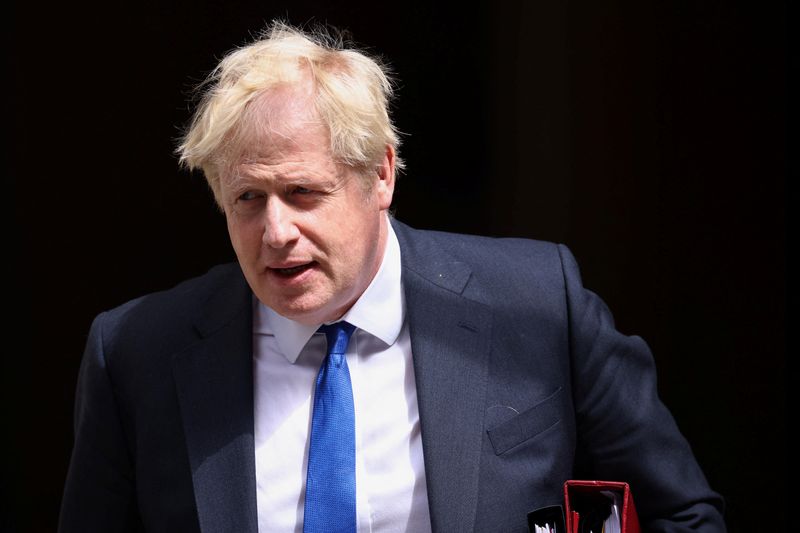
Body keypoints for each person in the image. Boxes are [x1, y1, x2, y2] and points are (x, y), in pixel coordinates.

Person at [58, 21, 727, 533]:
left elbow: (684, 515)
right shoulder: (138, 353)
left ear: (380, 174)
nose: (276, 232)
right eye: (248, 199)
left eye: (303, 192)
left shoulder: (537, 303)